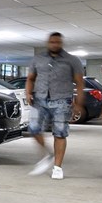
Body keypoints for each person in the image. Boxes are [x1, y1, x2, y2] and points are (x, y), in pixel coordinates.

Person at [24, 32, 85, 180]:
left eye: (58, 42)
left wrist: (78, 103)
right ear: (48, 43)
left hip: (62, 101)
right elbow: (30, 78)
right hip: (39, 99)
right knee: (33, 128)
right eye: (52, 42)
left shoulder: (72, 60)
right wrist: (28, 93)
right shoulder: (38, 59)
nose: (55, 44)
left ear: (61, 43)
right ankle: (48, 154)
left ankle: (57, 167)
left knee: (60, 133)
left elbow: (79, 82)